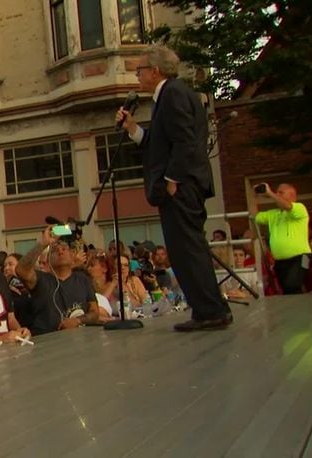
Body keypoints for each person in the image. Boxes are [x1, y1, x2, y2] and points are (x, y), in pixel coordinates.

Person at [116, 44, 231, 331]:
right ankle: (211, 307)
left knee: (187, 249)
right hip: (183, 183)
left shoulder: (173, 94)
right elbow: (161, 142)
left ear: (155, 71)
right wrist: (132, 128)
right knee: (187, 249)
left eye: (140, 70)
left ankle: (209, 311)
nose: (136, 76)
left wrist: (171, 180)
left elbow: (185, 140)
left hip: (181, 185)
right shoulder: (169, 96)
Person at [15, 226, 103, 335]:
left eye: (64, 249)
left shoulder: (82, 279)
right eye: (54, 250)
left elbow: (94, 313)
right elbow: (21, 269)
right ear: (47, 260)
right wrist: (43, 243)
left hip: (79, 340)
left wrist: (77, 320)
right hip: (47, 342)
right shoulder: (41, 279)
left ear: (72, 255)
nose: (60, 251)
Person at [252, 183, 312, 294]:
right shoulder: (273, 214)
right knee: (285, 289)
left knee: (292, 285)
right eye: (276, 192)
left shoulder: (300, 207)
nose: (277, 194)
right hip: (280, 261)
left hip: (300, 258)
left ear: (292, 195)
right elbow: (254, 217)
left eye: (281, 192)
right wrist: (255, 196)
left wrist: (270, 193)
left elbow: (288, 206)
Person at [2, 253, 33, 328]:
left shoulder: (30, 284)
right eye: (5, 265)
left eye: (10, 264)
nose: (6, 268)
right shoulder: (3, 287)